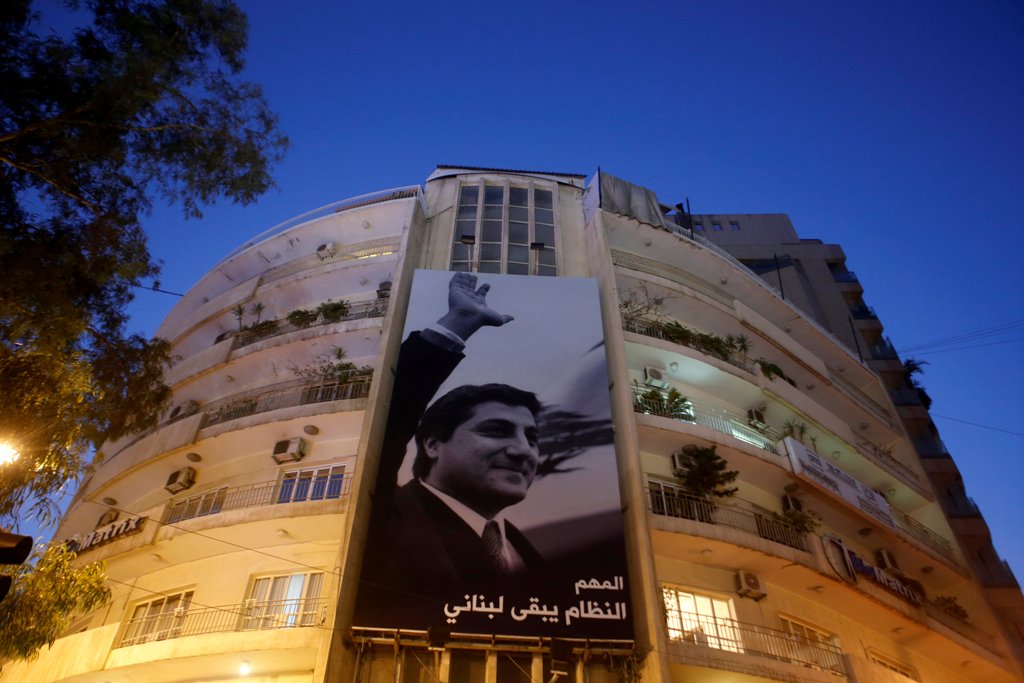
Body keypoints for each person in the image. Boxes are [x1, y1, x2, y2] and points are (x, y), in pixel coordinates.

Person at [356, 272, 546, 626]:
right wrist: (459, 322)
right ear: (433, 444)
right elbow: (388, 419)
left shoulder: (525, 551)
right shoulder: (385, 516)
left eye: (532, 438)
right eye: (496, 431)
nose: (523, 451)